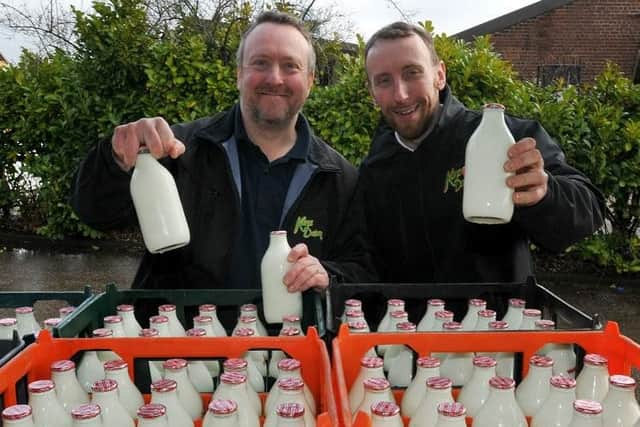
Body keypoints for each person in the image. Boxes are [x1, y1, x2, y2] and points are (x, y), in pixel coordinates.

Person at [70, 11, 370, 292]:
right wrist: (116, 159)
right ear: (239, 74)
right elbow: (95, 213)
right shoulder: (177, 150)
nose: (275, 78)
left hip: (290, 345)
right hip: (183, 342)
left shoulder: (338, 178)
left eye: (290, 66)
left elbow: (360, 268)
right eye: (260, 63)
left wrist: (327, 275)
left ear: (310, 81)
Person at [353, 21, 604, 283]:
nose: (401, 95)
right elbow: (365, 260)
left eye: (412, 73)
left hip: (497, 322)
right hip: (405, 323)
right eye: (384, 81)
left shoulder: (505, 138)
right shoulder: (373, 167)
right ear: (372, 92)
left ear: (439, 75)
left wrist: (546, 194)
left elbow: (588, 213)